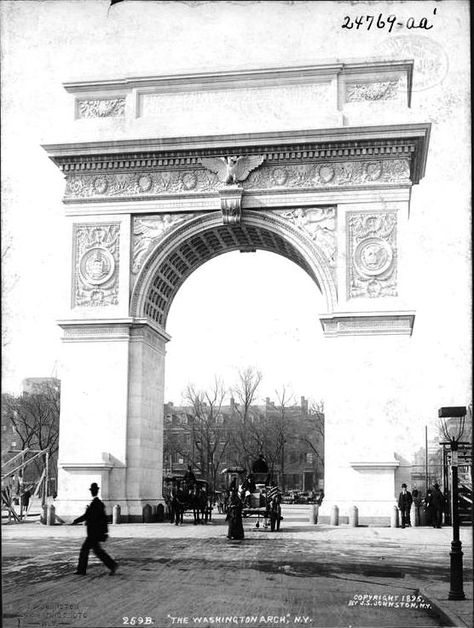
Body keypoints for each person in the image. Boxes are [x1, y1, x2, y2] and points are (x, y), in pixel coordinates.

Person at [71, 483, 118, 575]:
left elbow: (88, 516)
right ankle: (112, 565)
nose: (92, 492)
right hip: (95, 532)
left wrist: (76, 520)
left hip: (93, 532)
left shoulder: (95, 504)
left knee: (86, 550)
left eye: (92, 490)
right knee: (97, 551)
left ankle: (81, 570)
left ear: (94, 491)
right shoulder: (98, 503)